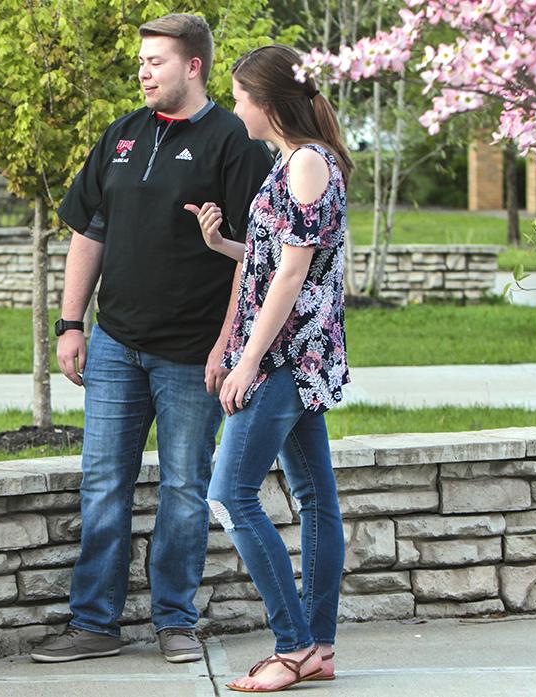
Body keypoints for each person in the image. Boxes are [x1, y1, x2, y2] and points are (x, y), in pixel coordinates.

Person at [31, 14, 272, 665]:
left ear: (193, 65)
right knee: (103, 480)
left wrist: (227, 346)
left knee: (185, 487)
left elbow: (255, 258)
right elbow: (90, 231)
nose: (143, 70)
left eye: (156, 60)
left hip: (192, 355)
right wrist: (71, 321)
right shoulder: (122, 136)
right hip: (115, 344)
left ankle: (174, 619)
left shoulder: (235, 143)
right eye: (141, 59)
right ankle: (94, 623)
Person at [186, 44, 353, 692]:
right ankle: (318, 648)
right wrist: (224, 243)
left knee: (230, 492)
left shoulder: (307, 162)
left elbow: (291, 274)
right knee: (314, 498)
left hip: (287, 356)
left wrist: (246, 360)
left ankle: (293, 645)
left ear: (268, 100)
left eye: (240, 96)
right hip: (292, 352)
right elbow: (275, 254)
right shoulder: (295, 160)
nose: (235, 107)